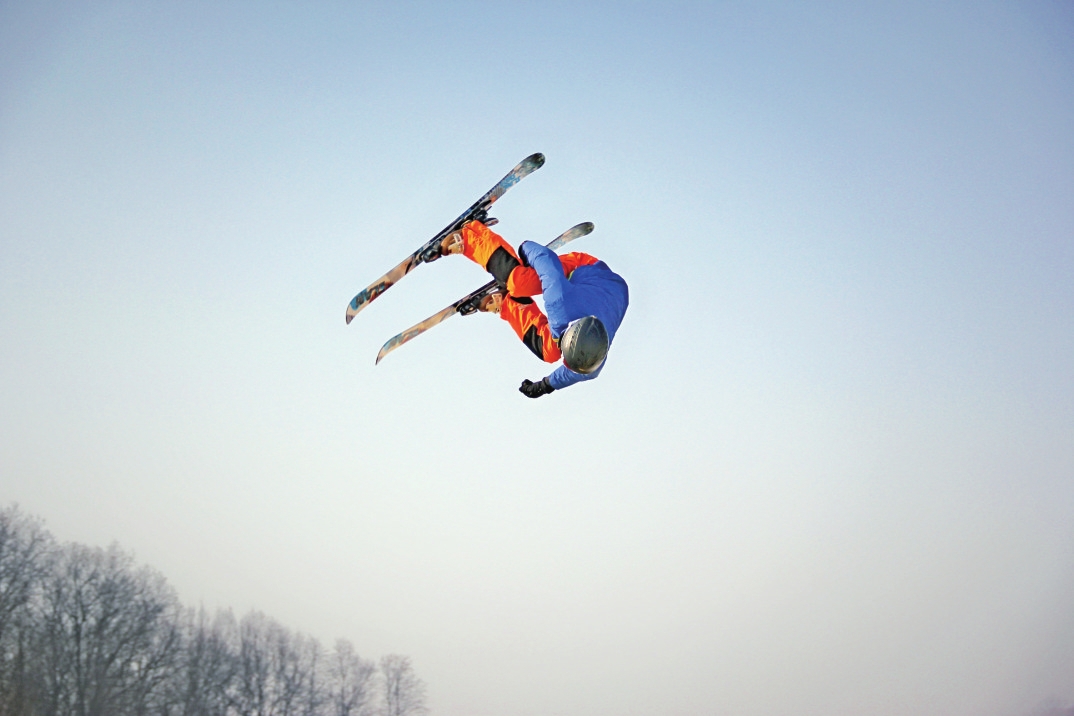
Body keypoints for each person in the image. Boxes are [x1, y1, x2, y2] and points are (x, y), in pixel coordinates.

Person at [441, 219, 629, 398]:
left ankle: (506, 301)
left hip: (610, 296)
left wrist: (545, 385)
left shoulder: (591, 362)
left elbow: (575, 374)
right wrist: (525, 251)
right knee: (518, 283)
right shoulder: (560, 304)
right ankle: (469, 235)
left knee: (549, 352)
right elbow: (545, 260)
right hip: (585, 268)